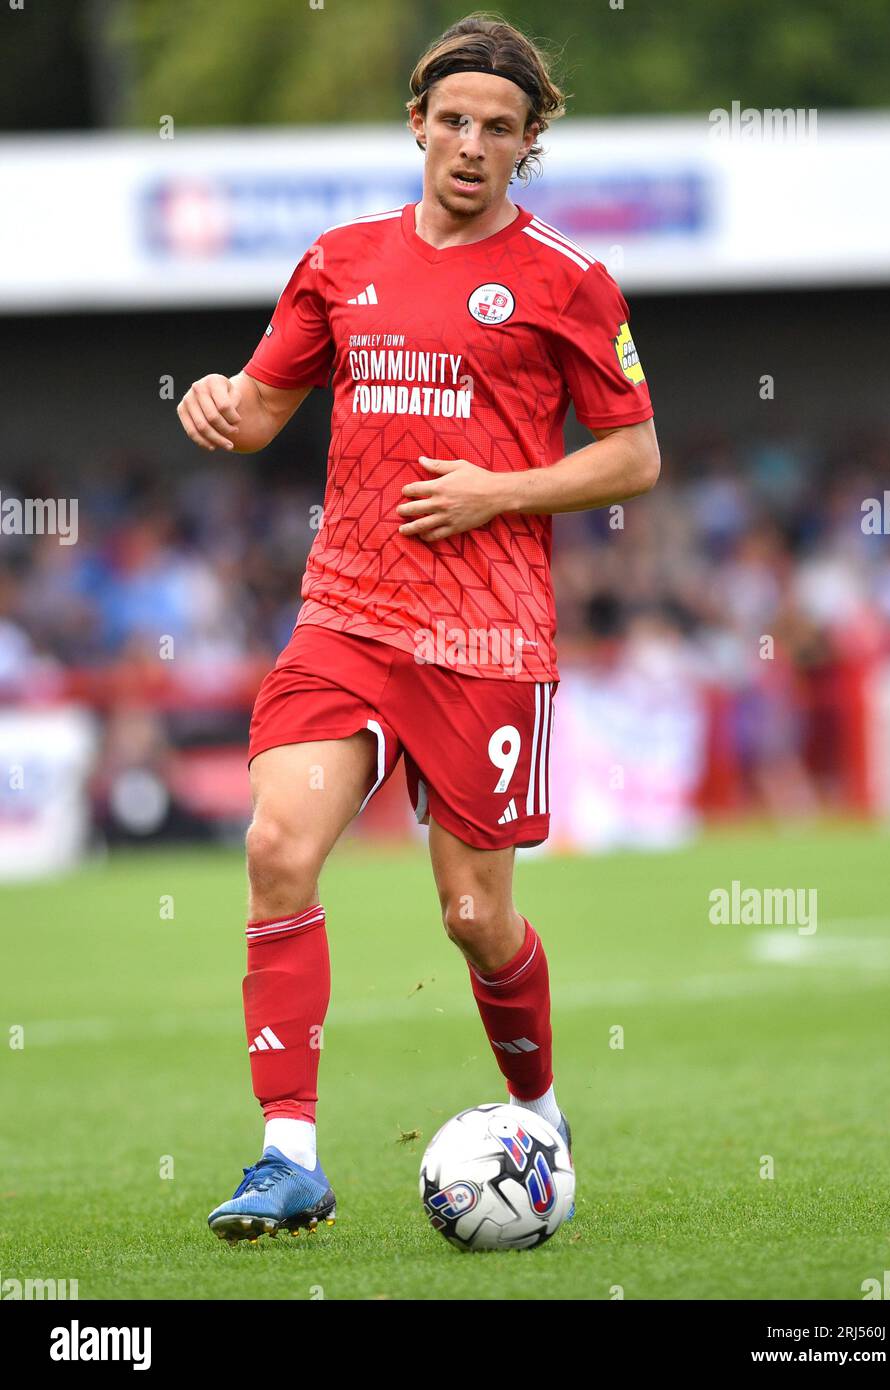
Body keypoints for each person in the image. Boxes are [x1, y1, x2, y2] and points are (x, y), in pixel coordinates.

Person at [177, 13, 659, 1243]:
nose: (471, 145)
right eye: (453, 121)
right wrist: (216, 401)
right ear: (417, 124)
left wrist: (500, 490)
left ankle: (538, 1109)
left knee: (472, 918)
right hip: (345, 615)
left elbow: (634, 454)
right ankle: (289, 1155)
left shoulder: (567, 280)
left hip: (488, 639)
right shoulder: (339, 260)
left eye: (500, 129)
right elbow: (262, 409)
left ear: (527, 143)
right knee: (280, 847)